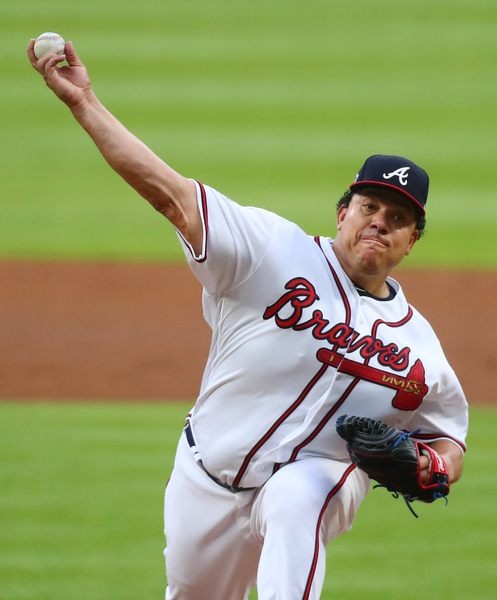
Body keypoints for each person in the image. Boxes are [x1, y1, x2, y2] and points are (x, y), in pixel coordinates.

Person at [28, 40, 468, 600]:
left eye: (398, 217)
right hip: (205, 478)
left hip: (315, 483)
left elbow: (447, 437)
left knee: (297, 493)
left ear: (411, 241)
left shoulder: (420, 350)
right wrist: (84, 103)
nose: (380, 222)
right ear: (343, 213)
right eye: (369, 207)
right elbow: (170, 195)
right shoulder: (269, 250)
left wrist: (436, 466)